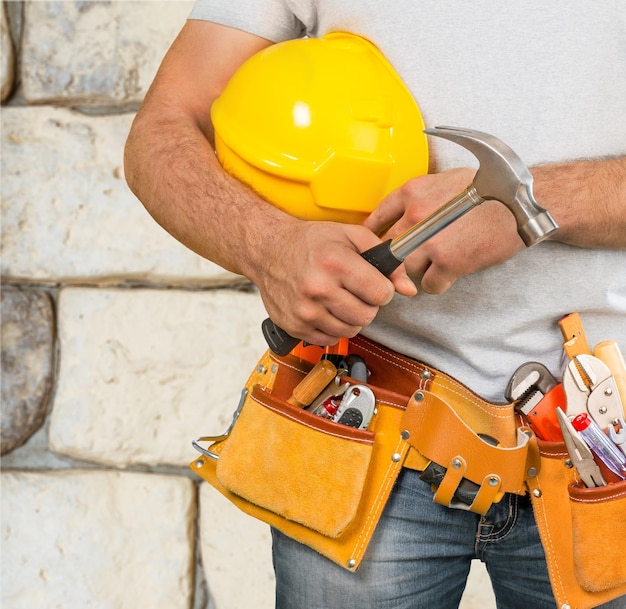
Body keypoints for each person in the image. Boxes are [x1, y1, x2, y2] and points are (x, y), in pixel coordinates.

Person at [124, 2, 626, 608]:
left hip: (602, 446)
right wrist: (269, 245)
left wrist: (534, 202)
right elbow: (164, 126)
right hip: (366, 424)